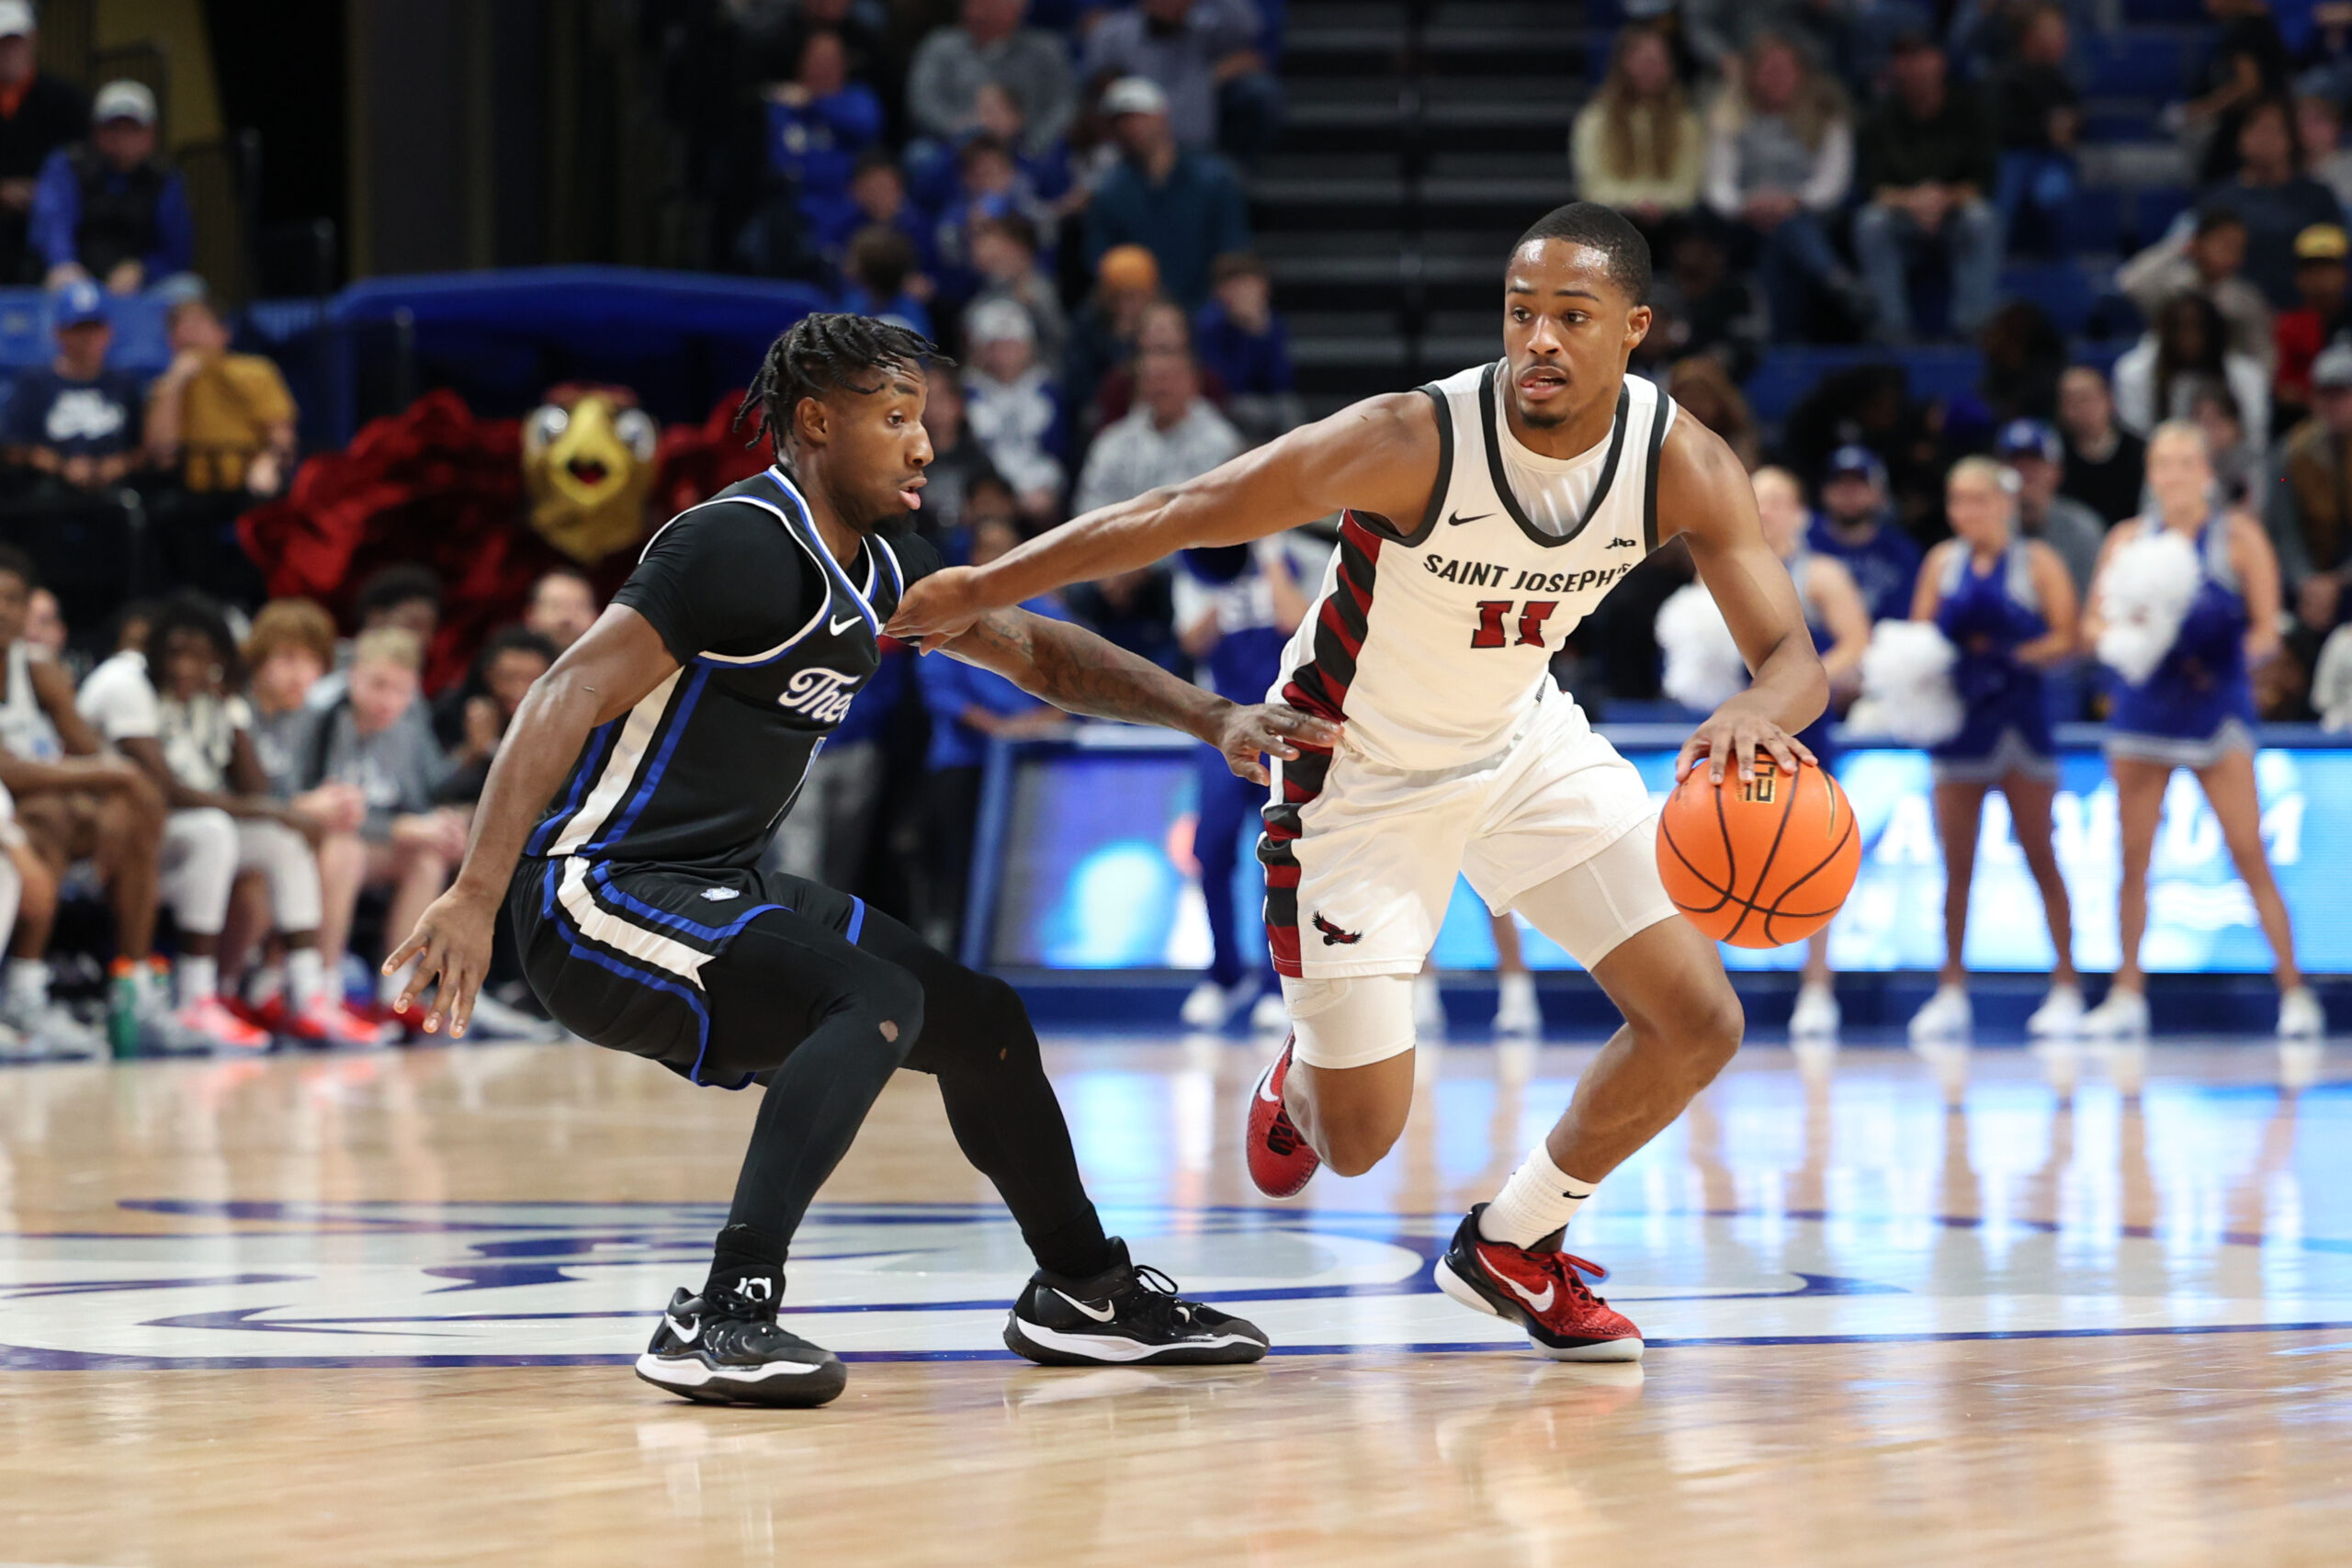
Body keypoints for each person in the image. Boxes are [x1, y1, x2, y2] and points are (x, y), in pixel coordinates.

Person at [891, 203, 1829, 1363]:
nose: (1537, 338)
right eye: (1519, 311)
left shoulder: (1678, 459)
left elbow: (1796, 662)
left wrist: (1753, 708)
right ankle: (1303, 1083)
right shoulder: (1412, 439)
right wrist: (988, 583)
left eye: (1570, 318)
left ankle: (1514, 1245)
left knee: (1699, 1021)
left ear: (1632, 329)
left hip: (1525, 744)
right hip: (1354, 772)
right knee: (1355, 1145)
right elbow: (1179, 512)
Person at [387, 313, 1321, 1403]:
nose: (923, 445)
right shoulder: (731, 543)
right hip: (593, 891)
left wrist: (1210, 714)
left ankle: (1085, 1290)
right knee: (870, 1001)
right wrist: (475, 892)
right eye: (895, 419)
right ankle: (723, 1312)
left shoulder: (887, 569)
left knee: (982, 1021)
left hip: (716, 889)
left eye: (921, 418)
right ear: (816, 424)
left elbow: (1035, 649)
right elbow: (564, 692)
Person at [2080, 421, 2320, 1040]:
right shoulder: (2125, 540)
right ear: (2151, 474)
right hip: (2142, 713)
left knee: (2248, 852)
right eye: (2163, 463)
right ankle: (2128, 993)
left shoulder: (2238, 536)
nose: (2175, 473)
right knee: (2133, 858)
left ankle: (2294, 993)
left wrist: (2219, 652)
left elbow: (2270, 628)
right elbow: (2090, 628)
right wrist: (2133, 640)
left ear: (2208, 473)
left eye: (2188, 461)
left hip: (2216, 711)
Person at [76, 594, 378, 1047]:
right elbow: (167, 791)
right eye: (174, 652)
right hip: (107, 842)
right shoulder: (127, 683)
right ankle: (197, 997)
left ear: (221, 659)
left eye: (200, 656)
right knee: (214, 829)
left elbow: (253, 787)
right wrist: (277, 810)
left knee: (281, 840)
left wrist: (231, 708)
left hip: (172, 838)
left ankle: (308, 995)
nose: (183, 666)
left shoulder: (213, 694)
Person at [1903, 458, 2084, 1043]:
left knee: (2040, 855)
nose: (1968, 512)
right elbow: (1920, 640)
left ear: (2005, 503)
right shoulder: (1941, 563)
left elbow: (2068, 637)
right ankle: (1951, 988)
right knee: (1955, 868)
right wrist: (1954, 658)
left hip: (2022, 726)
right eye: (1958, 500)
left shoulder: (2040, 562)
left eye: (1979, 499)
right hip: (1959, 725)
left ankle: (2066, 985)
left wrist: (2015, 653)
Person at [0, 545, 167, 1054]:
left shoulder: (39, 671)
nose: (2, 610)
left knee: (132, 805)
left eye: (12, 599)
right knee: (53, 811)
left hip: (37, 814)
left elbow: (94, 754)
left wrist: (109, 800)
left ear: (29, 606)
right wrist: (100, 780)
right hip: (17, 819)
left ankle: (133, 987)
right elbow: (9, 772)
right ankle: (23, 996)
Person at [1172, 533, 1312, 1032]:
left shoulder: (1298, 555)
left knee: (1282, 857)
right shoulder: (1197, 564)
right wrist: (1222, 575)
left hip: (1284, 724)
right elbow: (1192, 641)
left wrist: (1271, 556)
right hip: (1222, 724)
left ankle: (1280, 983)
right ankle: (1224, 974)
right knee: (1210, 850)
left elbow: (1294, 620)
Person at [300, 626, 466, 1034]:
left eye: (402, 690)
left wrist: (444, 822)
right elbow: (317, 809)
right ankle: (323, 988)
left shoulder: (407, 728)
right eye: (378, 685)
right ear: (352, 676)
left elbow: (426, 798)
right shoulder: (320, 719)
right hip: (313, 846)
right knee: (346, 849)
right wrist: (406, 828)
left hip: (369, 844)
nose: (389, 700)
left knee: (428, 856)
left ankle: (397, 989)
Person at [1750, 466, 1868, 1040]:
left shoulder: (1820, 572)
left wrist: (1808, 680)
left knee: (1811, 857)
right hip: (1740, 732)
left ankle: (1818, 986)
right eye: (1756, 500)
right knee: (1719, 846)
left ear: (1798, 512)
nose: (1766, 510)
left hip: (1805, 734)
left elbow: (1858, 643)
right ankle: (1710, 986)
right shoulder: (1727, 571)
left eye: (1776, 501)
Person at [1700, 33, 1860, 344]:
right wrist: (1746, 206)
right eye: (1768, 70)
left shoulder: (1827, 118)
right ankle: (1836, 280)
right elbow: (1718, 185)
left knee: (1785, 236)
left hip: (1810, 217)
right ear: (1753, 76)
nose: (1776, 78)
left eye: (1785, 70)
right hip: (1745, 222)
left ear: (1801, 75)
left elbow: (1833, 182)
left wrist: (1794, 202)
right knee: (1783, 234)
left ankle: (1776, 338)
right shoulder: (1729, 117)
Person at [1851, 34, 2003, 344]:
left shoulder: (1970, 110)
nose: (1914, 67)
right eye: (1904, 58)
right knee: (1870, 222)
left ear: (1940, 62)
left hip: (1954, 216)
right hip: (1902, 219)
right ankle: (1891, 328)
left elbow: (1984, 182)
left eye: (1921, 56)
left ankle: (1973, 326)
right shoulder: (1880, 117)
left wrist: (1943, 199)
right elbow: (1872, 187)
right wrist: (1914, 202)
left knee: (1982, 219)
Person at [1081, 76, 1250, 311]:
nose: (1132, 127)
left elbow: (1233, 249)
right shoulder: (1110, 191)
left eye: (1140, 116)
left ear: (1162, 115)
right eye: (1122, 121)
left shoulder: (1214, 179)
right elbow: (1102, 261)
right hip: (1139, 315)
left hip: (1208, 309)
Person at [30, 79, 190, 294]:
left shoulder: (165, 179)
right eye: (113, 128)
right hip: (77, 280)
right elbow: (53, 224)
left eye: (132, 129)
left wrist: (143, 269)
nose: (122, 139)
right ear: (96, 130)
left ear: (151, 133)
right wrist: (64, 263)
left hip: (142, 288)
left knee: (186, 289)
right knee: (61, 287)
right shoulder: (67, 166)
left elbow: (177, 251)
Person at [1080, 0, 1278, 163]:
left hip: (1197, 154)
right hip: (1133, 157)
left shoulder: (1207, 30)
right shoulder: (1113, 35)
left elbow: (1246, 26)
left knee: (1219, 178)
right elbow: (1090, 94)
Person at [142, 294, 298, 496]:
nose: (189, 333)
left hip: (248, 485)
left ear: (223, 333)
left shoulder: (255, 372)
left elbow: (283, 437)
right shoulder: (166, 385)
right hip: (189, 494)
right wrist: (175, 384)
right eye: (179, 325)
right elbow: (161, 456)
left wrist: (269, 461)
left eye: (198, 323)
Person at [2196, 96, 2343, 309]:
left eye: (2274, 131)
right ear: (2241, 138)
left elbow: (2333, 263)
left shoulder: (2317, 197)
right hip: (2234, 313)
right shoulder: (2217, 200)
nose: (2264, 139)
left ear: (2291, 139)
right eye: (2256, 129)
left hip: (2306, 313)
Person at [5, 278, 142, 491]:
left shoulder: (124, 382)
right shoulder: (34, 382)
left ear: (108, 332)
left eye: (94, 328)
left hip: (116, 491)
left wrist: (121, 463)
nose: (87, 339)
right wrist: (58, 465)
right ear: (59, 333)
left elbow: (143, 446)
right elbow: (12, 446)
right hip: (47, 492)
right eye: (78, 329)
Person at [1072, 348, 1243, 517]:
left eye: (1167, 378)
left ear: (1192, 382)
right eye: (1150, 379)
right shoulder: (1112, 442)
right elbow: (1091, 506)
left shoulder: (1221, 442)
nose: (1159, 388)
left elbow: (1228, 510)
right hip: (1125, 539)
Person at [1571, 23, 1703, 238]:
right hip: (1615, 219)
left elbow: (1688, 186)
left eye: (1657, 62)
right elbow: (1593, 185)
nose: (1650, 70)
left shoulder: (1685, 121)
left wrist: (1657, 203)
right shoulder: (1596, 119)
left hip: (1671, 220)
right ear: (1623, 64)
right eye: (1643, 61)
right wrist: (1635, 202)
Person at [906, 0, 1075, 159]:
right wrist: (960, 127)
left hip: (1028, 146)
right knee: (920, 154)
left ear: (1015, 10)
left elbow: (1063, 105)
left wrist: (1031, 140)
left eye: (987, 5)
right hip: (955, 147)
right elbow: (923, 102)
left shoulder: (1046, 51)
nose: (975, 13)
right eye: (971, 4)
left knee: (1061, 154)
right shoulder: (940, 46)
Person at [2114, 292, 2273, 460]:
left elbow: (2257, 441)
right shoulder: (2135, 373)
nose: (2189, 339)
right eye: (2180, 329)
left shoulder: (2246, 375)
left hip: (2232, 466)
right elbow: (2137, 439)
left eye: (2198, 329)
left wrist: (2229, 439)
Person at [2266, 342, 2352, 647]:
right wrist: (2307, 581)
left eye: (2341, 394)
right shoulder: (2290, 455)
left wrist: (2337, 582)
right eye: (2324, 395)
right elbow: (2282, 525)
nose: (2332, 404)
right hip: (2306, 580)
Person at [2117, 207, 2273, 368]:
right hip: (2167, 373)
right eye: (2225, 244)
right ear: (2197, 243)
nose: (2232, 255)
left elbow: (2261, 354)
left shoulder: (2246, 300)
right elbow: (2129, 281)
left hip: (2220, 380)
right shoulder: (2172, 286)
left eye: (2238, 248)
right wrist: (2176, 248)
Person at [0, 3, 88, 286]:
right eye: (2, 42)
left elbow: (86, 168)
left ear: (33, 38)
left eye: (16, 40)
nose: (8, 50)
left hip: (52, 235)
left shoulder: (66, 99)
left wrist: (46, 194)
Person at [959, 297, 1065, 520]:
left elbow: (1059, 452)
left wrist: (1048, 487)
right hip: (984, 491)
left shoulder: (1047, 390)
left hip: (1039, 492)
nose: (1005, 355)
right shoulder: (966, 391)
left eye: (1013, 345)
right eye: (996, 346)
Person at [1992, 2, 2079, 255]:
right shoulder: (2004, 77)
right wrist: (2046, 132)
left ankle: (2061, 268)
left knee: (2055, 193)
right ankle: (1993, 267)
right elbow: (2001, 128)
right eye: (2053, 29)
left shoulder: (2060, 78)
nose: (2062, 36)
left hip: (2050, 160)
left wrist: (2072, 125)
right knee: (2002, 195)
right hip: (2012, 158)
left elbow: (2076, 122)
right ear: (2030, 36)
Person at [1805, 445, 1922, 624]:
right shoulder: (1804, 541)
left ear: (1879, 493)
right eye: (1840, 484)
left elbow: (1907, 621)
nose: (1848, 493)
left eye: (1859, 484)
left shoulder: (1902, 551)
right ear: (1824, 491)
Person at [1193, 252, 1300, 445]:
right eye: (1236, 287)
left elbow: (1282, 381)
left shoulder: (1271, 323)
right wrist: (1243, 329)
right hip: (1228, 402)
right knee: (1252, 412)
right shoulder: (1210, 325)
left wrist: (1259, 331)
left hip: (1266, 400)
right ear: (1221, 292)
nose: (1244, 294)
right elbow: (1224, 384)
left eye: (1249, 286)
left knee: (1289, 409)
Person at [1997, 419, 2107, 596]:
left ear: (2056, 472)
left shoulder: (2082, 530)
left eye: (2034, 464)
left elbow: (2092, 604)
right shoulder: (1986, 527)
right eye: (2016, 464)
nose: (2024, 474)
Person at [2271, 222, 2350, 417]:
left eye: (2327, 268)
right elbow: (2283, 389)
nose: (2320, 278)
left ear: (2343, 274)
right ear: (2299, 277)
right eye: (2312, 270)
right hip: (2301, 420)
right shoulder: (2286, 326)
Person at [2057, 365, 2148, 526]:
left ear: (2109, 399)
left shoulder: (2140, 451)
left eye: (2086, 398)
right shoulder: (2056, 456)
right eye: (2071, 401)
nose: (2081, 409)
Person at [523, 568, 599, 654]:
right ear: (531, 615)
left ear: (597, 617)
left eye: (579, 608)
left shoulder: (611, 665)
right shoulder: (507, 660)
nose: (566, 618)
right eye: (555, 606)